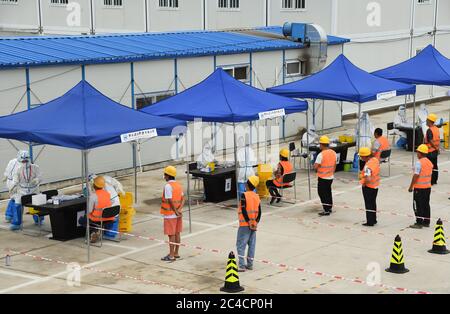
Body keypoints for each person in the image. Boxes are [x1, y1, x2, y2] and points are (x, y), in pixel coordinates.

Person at [9, 151, 42, 230]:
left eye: (26, 160)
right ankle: (17, 223)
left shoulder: (35, 167)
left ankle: (39, 219)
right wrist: (11, 188)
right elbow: (15, 181)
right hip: (22, 191)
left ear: (29, 159)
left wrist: (36, 180)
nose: (25, 162)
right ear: (20, 161)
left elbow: (40, 177)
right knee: (17, 204)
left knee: (38, 203)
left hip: (34, 189)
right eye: (23, 161)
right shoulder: (18, 169)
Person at [236, 176, 261, 272]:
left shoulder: (244, 195)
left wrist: (248, 221)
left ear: (247, 185)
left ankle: (242, 265)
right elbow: (259, 212)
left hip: (244, 225)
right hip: (253, 224)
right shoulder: (256, 196)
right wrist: (255, 222)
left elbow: (243, 209)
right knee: (252, 244)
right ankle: (250, 264)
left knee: (240, 245)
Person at [161, 166, 185, 262]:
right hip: (178, 214)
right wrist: (179, 209)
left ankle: (171, 255)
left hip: (170, 214)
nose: (164, 176)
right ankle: (176, 253)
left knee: (171, 235)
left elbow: (169, 200)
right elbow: (183, 198)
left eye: (165, 174)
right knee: (177, 233)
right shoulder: (178, 185)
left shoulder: (168, 186)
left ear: (167, 175)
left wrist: (175, 210)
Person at [81, 176, 113, 243]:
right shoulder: (107, 194)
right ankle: (97, 231)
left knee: (82, 220)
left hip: (97, 219)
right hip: (109, 218)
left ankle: (93, 232)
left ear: (94, 185)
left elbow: (89, 211)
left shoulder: (93, 196)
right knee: (90, 217)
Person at [409, 144, 433, 229]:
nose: (416, 154)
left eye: (417, 152)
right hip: (427, 187)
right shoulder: (429, 162)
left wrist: (411, 186)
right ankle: (426, 221)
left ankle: (419, 222)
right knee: (426, 204)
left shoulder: (419, 163)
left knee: (417, 205)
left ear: (420, 153)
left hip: (419, 188)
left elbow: (416, 175)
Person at [314, 136, 337, 217]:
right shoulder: (333, 153)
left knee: (322, 193)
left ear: (322, 145)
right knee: (328, 192)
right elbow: (334, 165)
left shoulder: (321, 155)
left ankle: (326, 209)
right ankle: (329, 207)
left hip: (323, 178)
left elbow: (315, 167)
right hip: (330, 177)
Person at [359, 147, 380, 227]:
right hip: (375, 186)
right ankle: (373, 219)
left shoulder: (368, 166)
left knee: (368, 204)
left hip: (369, 187)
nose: (361, 158)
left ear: (365, 156)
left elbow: (368, 178)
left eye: (361, 156)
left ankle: (370, 221)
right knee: (373, 203)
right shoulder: (375, 160)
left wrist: (364, 183)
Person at [3, 151, 21, 223]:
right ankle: (11, 216)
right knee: (15, 199)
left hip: (17, 183)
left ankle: (10, 215)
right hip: (12, 182)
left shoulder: (25, 164)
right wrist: (6, 176)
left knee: (15, 199)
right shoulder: (12, 161)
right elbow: (8, 169)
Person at [424, 113, 440, 185]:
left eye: (427, 120)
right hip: (435, 151)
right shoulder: (436, 129)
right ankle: (434, 180)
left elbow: (430, 140)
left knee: (429, 166)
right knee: (435, 166)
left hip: (430, 151)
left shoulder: (429, 130)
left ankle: (431, 181)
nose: (426, 121)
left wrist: (436, 148)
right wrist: (437, 149)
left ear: (430, 121)